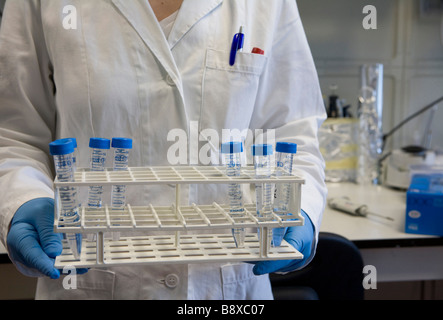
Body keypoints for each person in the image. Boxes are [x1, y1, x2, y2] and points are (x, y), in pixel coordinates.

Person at [0, 0, 327, 300]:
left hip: (226, 290)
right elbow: (14, 132)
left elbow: (293, 132)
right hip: (90, 281)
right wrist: (23, 199)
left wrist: (301, 209)